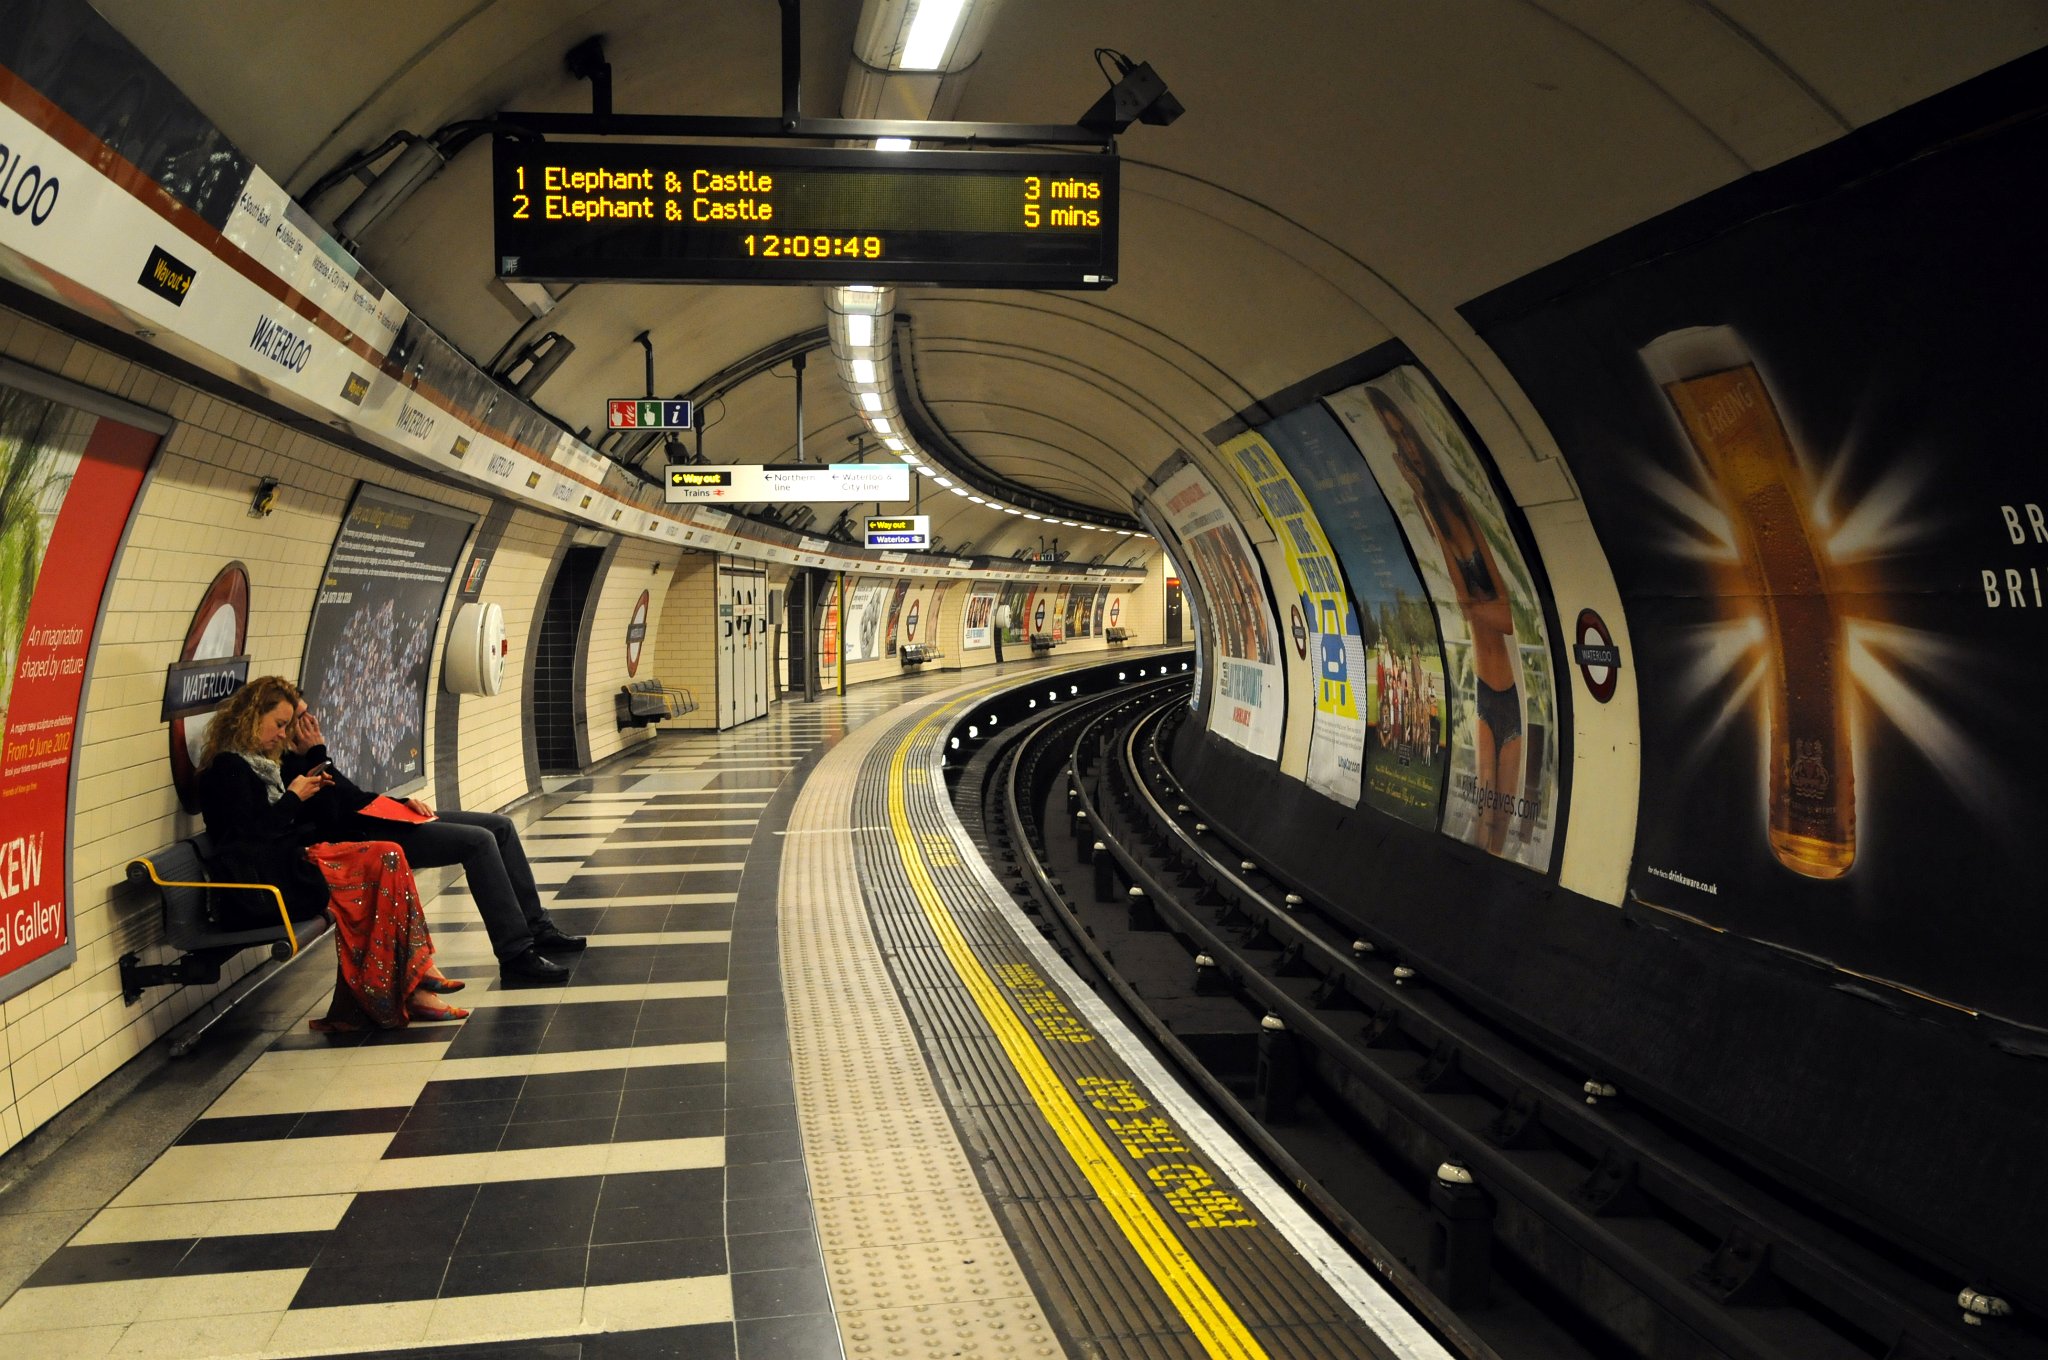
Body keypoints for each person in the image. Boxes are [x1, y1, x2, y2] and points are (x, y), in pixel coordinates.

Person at [197, 676, 466, 1028]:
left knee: (391, 855)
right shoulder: (228, 768)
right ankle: (414, 980)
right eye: (279, 724)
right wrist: (294, 798)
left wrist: (309, 789)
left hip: (290, 865)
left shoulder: (266, 764)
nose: (283, 734)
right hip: (269, 884)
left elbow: (330, 813)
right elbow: (248, 839)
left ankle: (416, 977)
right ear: (251, 716)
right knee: (384, 858)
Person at [282, 694, 585, 984]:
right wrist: (317, 755)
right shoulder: (293, 764)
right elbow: (332, 818)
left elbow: (354, 797)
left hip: (380, 818)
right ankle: (516, 954)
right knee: (478, 842)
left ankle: (538, 927)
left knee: (500, 827)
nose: (311, 722)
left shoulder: (309, 756)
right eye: (300, 717)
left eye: (309, 712)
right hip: (363, 838)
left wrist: (400, 803)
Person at [1369, 388, 1523, 853]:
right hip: (1483, 692)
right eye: (1396, 439)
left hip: (1512, 697)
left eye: (1404, 433)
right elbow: (1464, 598)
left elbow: (1506, 613)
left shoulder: (1457, 506)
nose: (1407, 447)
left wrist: (1478, 608)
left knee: (1503, 811)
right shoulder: (1432, 510)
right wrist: (1423, 502)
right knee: (1485, 809)